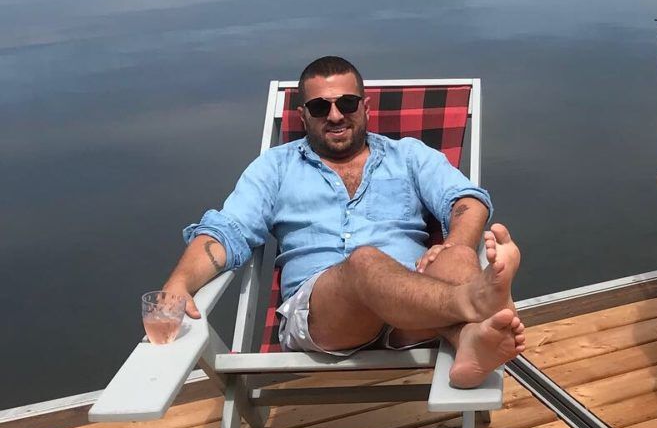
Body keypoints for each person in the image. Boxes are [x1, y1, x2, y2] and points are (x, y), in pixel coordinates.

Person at [161, 56, 523, 388]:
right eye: (321, 107)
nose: (335, 115)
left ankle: (469, 340)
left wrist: (455, 244)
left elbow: (467, 200)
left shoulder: (407, 155)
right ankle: (477, 302)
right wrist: (179, 283)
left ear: (365, 107)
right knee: (364, 262)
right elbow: (227, 232)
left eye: (346, 103)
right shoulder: (275, 167)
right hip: (326, 316)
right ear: (303, 114)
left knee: (458, 257)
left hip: (411, 309)